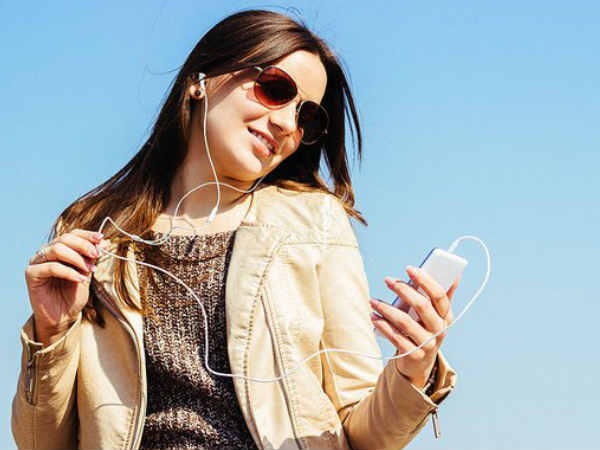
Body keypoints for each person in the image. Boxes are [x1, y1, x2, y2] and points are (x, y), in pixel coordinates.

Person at [12, 9, 459, 450]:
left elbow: (363, 434)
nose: (286, 123)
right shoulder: (97, 233)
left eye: (307, 118)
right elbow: (39, 444)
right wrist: (51, 333)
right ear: (199, 80)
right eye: (275, 89)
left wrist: (412, 371)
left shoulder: (314, 223)